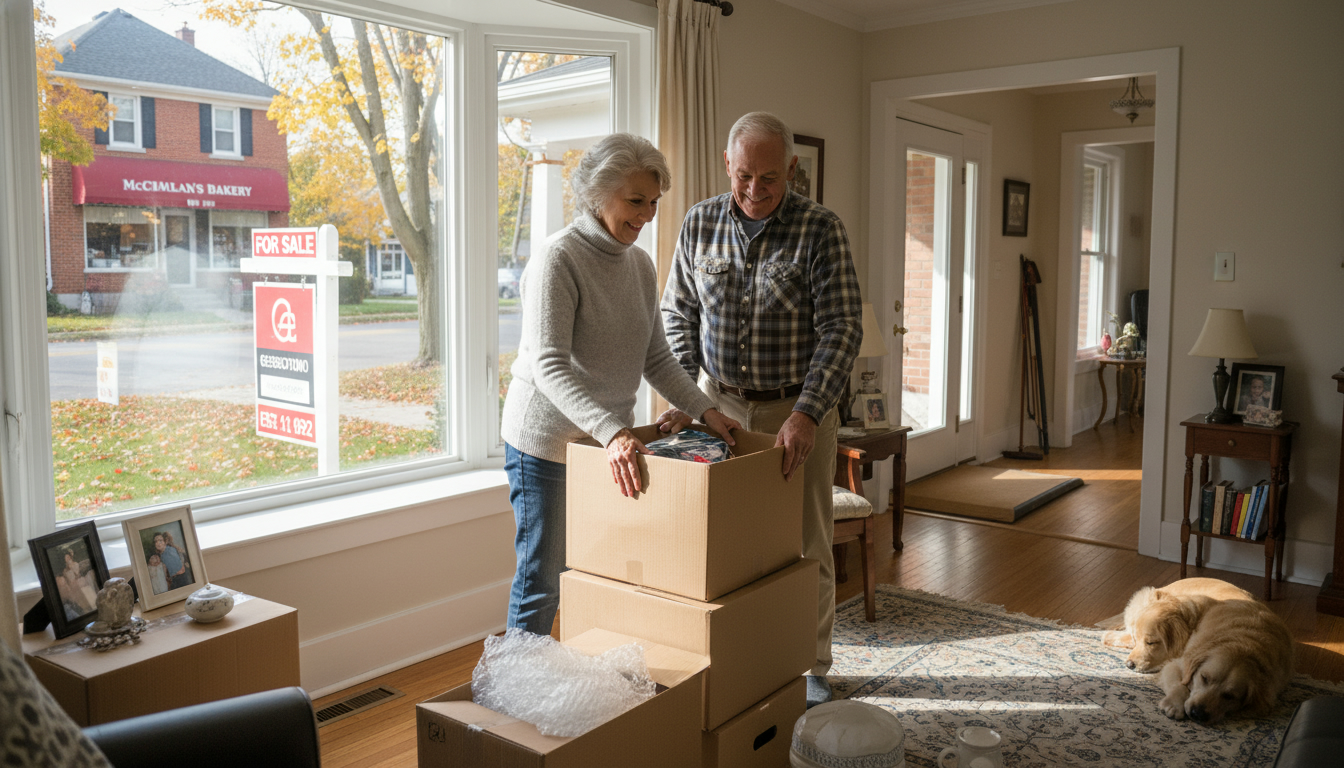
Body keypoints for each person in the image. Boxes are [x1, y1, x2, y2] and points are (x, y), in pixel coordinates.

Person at [499, 132, 742, 637]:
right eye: (636, 201)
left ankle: (568, 686)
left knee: (596, 574)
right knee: (543, 578)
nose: (648, 214)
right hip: (546, 443)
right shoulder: (558, 258)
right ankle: (511, 702)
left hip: (606, 442)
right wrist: (614, 432)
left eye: (654, 202)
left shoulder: (638, 264)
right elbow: (548, 364)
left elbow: (656, 357)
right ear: (596, 193)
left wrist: (705, 409)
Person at [660, 112, 863, 708]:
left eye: (769, 178)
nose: (754, 190)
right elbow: (678, 316)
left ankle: (814, 665)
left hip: (795, 408)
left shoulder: (821, 228)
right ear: (728, 164)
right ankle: (741, 657)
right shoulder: (699, 222)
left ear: (791, 169)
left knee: (806, 543)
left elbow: (842, 328)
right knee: (725, 545)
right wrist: (685, 398)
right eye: (744, 175)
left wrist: (806, 412)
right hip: (717, 405)